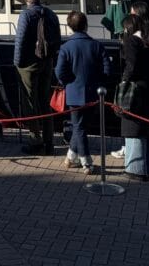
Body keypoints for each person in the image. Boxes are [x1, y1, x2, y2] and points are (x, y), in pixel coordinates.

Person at [55, 10, 110, 174]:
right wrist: (99, 82)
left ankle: (85, 160)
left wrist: (67, 82)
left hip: (73, 92)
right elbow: (107, 69)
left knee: (79, 127)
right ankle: (72, 157)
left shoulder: (66, 47)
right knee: (81, 126)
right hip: (94, 92)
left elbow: (59, 72)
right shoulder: (97, 45)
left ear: (70, 27)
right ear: (86, 25)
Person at [13, 0, 61, 155]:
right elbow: (58, 39)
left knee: (30, 103)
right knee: (45, 103)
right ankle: (49, 142)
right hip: (47, 62)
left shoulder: (26, 15)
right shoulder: (51, 14)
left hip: (28, 64)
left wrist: (17, 63)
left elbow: (20, 40)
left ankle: (35, 140)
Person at [120, 4, 149, 181]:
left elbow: (131, 66)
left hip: (136, 91)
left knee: (134, 129)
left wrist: (124, 81)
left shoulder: (133, 41)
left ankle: (135, 168)